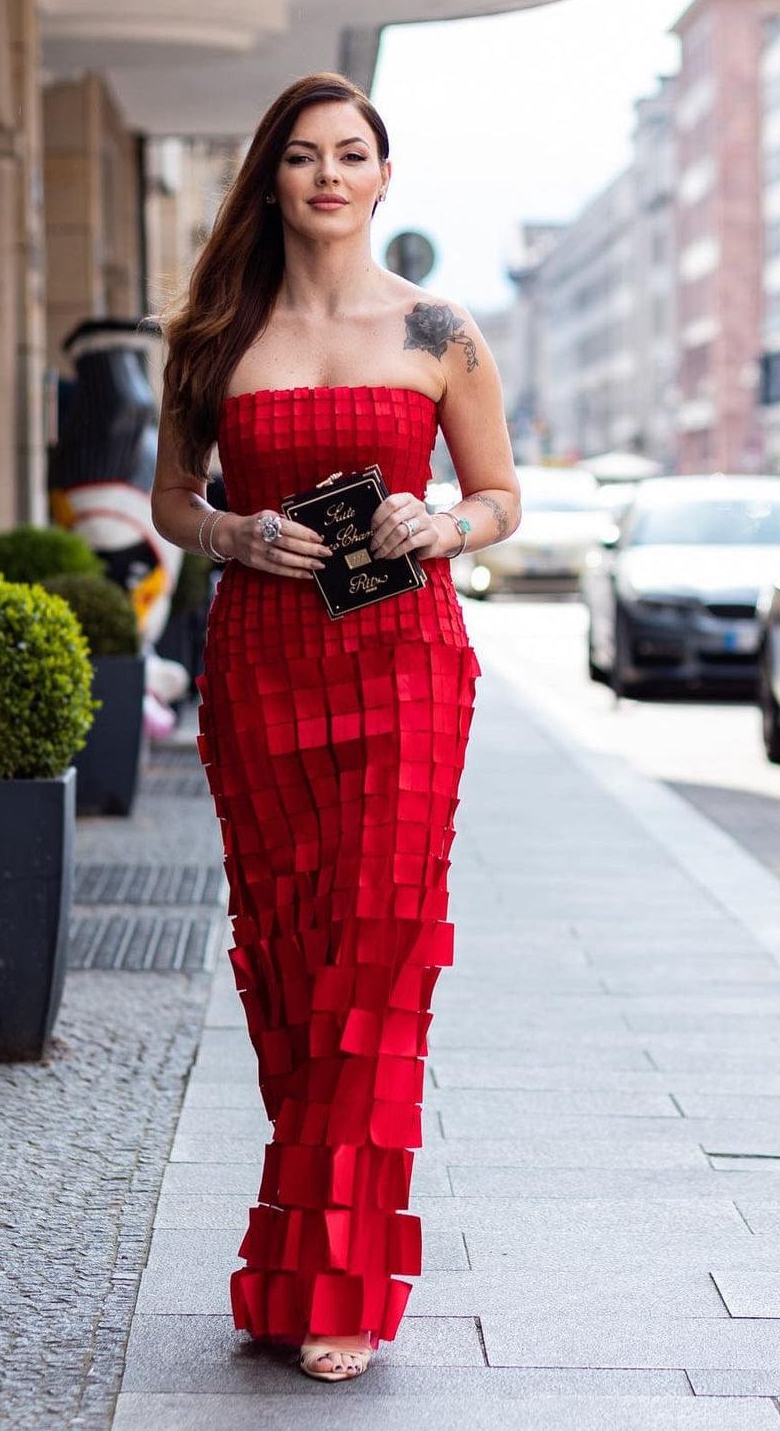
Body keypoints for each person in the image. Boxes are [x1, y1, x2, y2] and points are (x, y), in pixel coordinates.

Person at [150, 72, 520, 1383]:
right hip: (261, 670)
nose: (326, 174)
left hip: (408, 663)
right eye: (302, 155)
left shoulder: (439, 331)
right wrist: (233, 532)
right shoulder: (209, 339)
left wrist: (444, 525)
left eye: (349, 154)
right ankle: (304, 1257)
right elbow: (171, 504)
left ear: (379, 174)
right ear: (272, 176)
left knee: (378, 964)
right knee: (294, 971)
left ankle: (335, 1285)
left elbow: (499, 495)